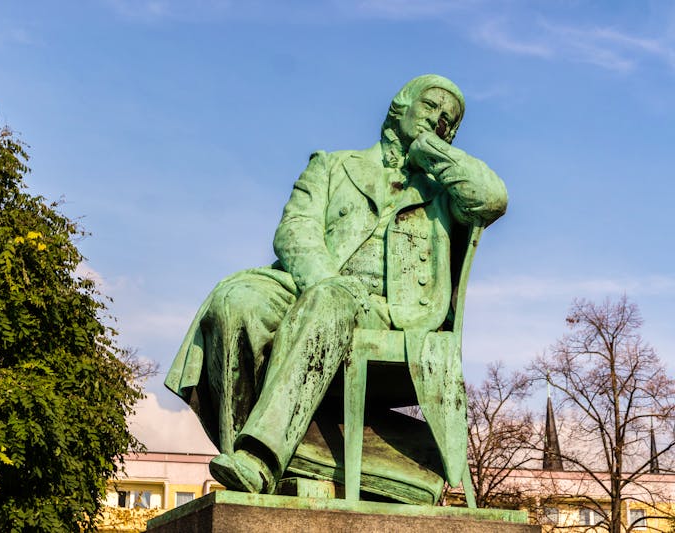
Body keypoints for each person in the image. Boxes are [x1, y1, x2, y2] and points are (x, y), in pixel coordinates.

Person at [165, 75, 507, 500]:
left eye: (448, 121)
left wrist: (431, 150)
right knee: (237, 300)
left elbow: (492, 199)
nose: (438, 121)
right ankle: (251, 452)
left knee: (332, 301)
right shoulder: (331, 165)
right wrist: (325, 282)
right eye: (431, 108)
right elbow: (295, 231)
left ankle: (260, 458)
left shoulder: (443, 191)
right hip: (309, 289)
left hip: (390, 316)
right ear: (400, 108)